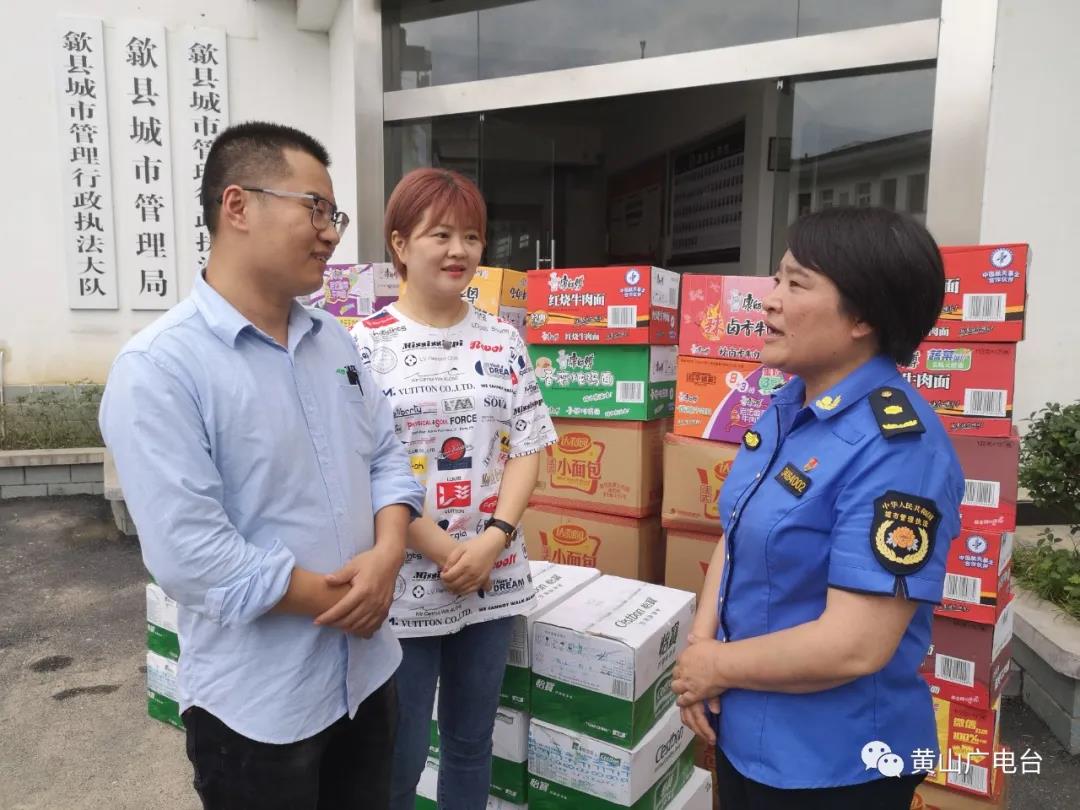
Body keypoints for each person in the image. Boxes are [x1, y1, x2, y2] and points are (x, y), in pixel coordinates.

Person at [99, 122, 425, 810]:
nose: (330, 233)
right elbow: (193, 556)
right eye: (316, 208)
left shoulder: (334, 341)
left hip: (368, 680)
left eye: (334, 215)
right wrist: (353, 597)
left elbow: (386, 454)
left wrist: (389, 553)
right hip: (258, 710)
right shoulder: (159, 369)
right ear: (237, 206)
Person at [671, 206, 965, 809]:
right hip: (746, 729)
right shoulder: (790, 405)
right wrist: (701, 647)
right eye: (776, 278)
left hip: (836, 764)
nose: (770, 300)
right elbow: (738, 530)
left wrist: (715, 667)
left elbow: (854, 644)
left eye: (796, 284)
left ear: (863, 316)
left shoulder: (898, 449)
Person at [351, 168, 557, 810]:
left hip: (491, 577)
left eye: (471, 236)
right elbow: (364, 469)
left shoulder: (502, 338)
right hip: (404, 583)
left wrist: (493, 540)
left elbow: (527, 446)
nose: (458, 250)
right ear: (399, 243)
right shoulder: (362, 346)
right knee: (400, 753)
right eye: (439, 234)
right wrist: (443, 551)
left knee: (471, 745)